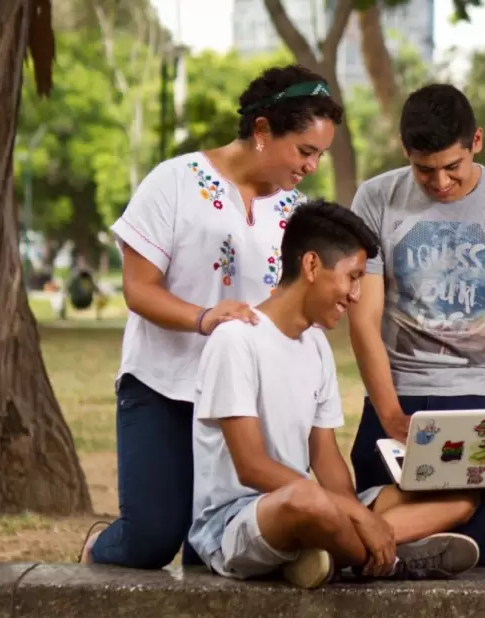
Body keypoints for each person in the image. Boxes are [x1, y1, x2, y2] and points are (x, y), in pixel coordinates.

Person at [80, 64, 344, 569]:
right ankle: (100, 546)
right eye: (305, 151)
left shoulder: (296, 213)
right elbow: (138, 291)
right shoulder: (174, 182)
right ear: (263, 131)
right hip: (163, 385)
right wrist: (205, 318)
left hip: (242, 399)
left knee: (216, 553)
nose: (311, 166)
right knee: (152, 540)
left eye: (320, 155)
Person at [188, 201, 481, 588]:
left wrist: (354, 509)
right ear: (312, 266)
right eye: (352, 276)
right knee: (308, 503)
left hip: (310, 503)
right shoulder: (236, 340)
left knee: (458, 498)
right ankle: (388, 562)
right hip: (237, 519)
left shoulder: (315, 345)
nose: (356, 294)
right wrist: (356, 516)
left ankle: (330, 552)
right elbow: (252, 467)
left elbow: (324, 457)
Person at [348, 83, 485, 567]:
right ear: (405, 152)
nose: (441, 183)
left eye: (452, 167)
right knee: (376, 552)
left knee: (459, 556)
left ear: (476, 142)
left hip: (476, 395)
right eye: (425, 170)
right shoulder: (376, 198)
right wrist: (390, 411)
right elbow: (364, 319)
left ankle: (331, 544)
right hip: (393, 391)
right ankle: (336, 545)